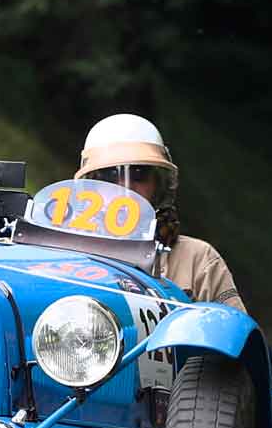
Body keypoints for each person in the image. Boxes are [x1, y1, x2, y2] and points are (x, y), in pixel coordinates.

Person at [77, 113, 243, 312]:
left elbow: (235, 335)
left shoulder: (198, 259)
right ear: (91, 188)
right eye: (109, 176)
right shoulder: (68, 258)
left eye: (139, 174)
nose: (125, 188)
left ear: (158, 185)